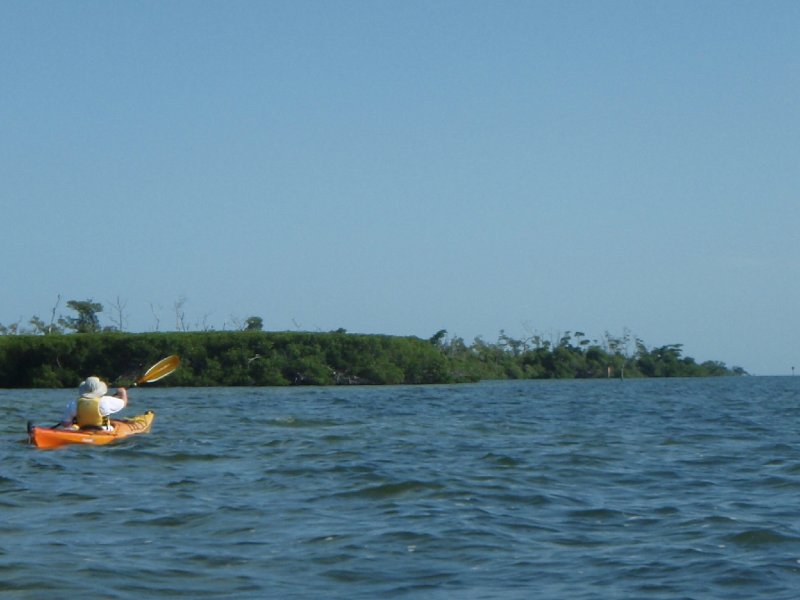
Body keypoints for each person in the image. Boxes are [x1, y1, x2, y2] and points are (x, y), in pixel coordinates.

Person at [62, 376, 128, 430]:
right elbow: (123, 404)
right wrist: (123, 392)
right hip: (103, 431)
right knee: (106, 424)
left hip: (81, 430)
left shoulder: (74, 403)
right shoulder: (105, 400)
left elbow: (66, 424)